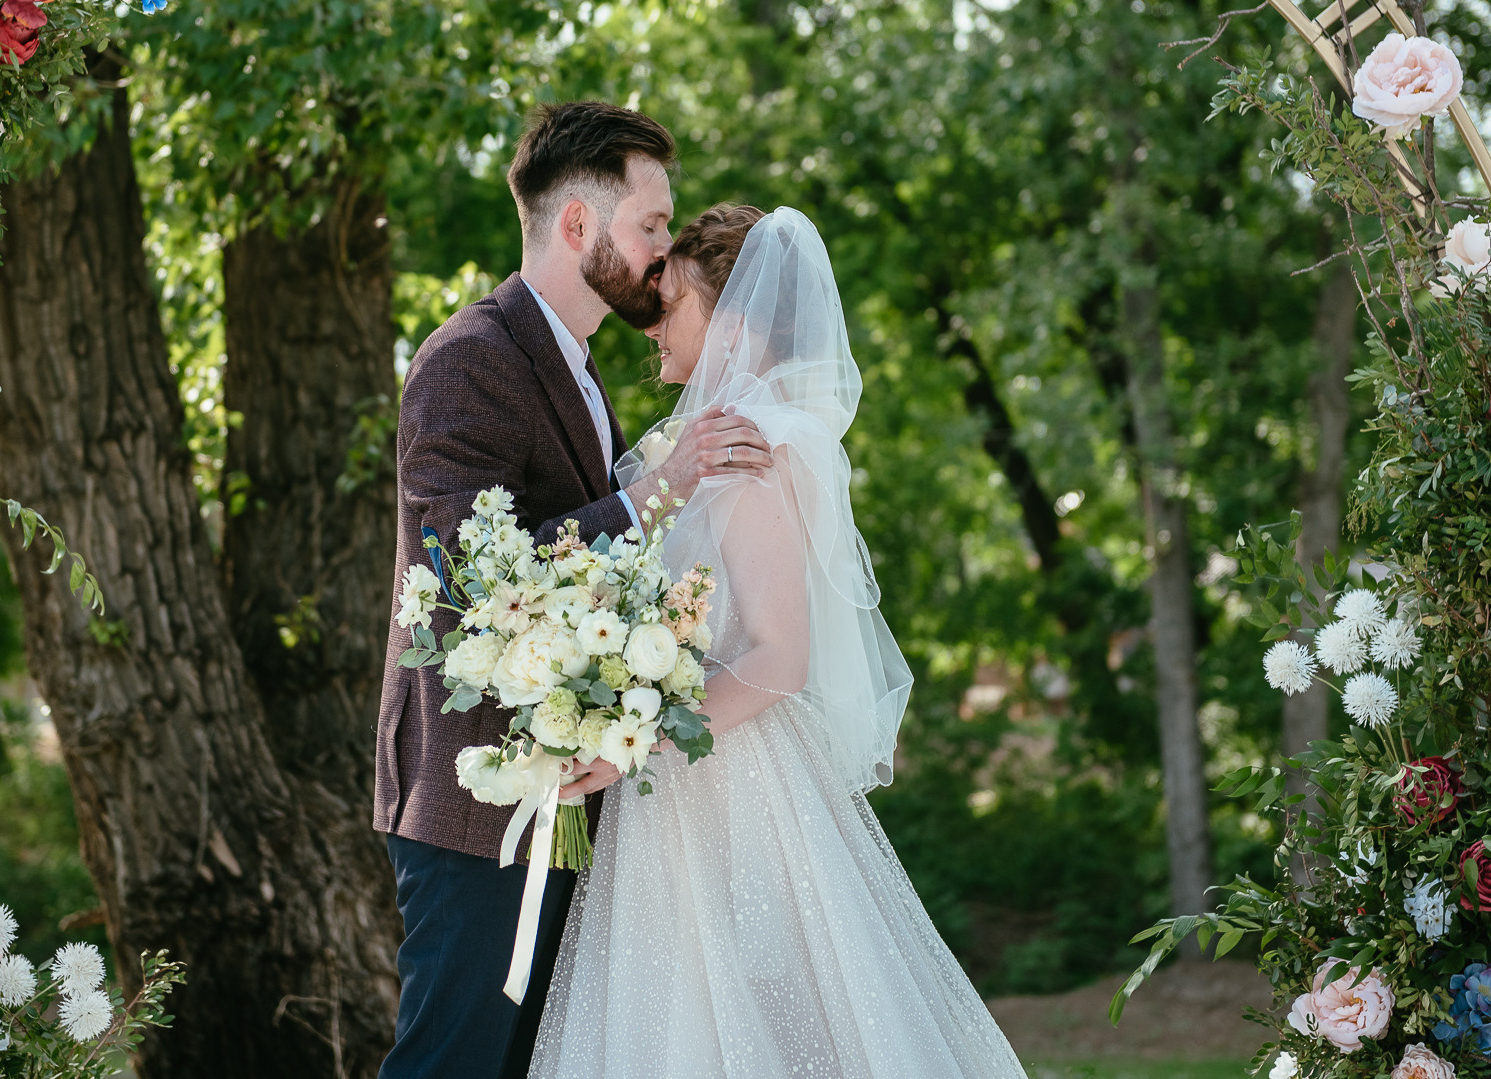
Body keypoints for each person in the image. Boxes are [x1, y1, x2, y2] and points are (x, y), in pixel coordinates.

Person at [530, 204, 1030, 1079]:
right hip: (683, 776)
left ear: (739, 321)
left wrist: (633, 741)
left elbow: (778, 655)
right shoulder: (702, 445)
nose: (652, 317)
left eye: (671, 299)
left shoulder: (749, 450)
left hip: (734, 778)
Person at [374, 103, 774, 1079]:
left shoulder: (578, 368)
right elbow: (461, 574)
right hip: (477, 803)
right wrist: (654, 492)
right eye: (647, 227)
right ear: (576, 227)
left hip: (557, 793)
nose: (659, 254)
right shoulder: (467, 359)